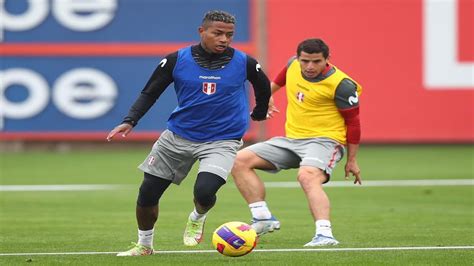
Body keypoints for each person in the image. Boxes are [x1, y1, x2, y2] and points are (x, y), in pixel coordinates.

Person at [107, 10, 271, 256]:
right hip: (178, 137)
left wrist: (258, 113)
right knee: (148, 193)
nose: (224, 39)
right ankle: (144, 246)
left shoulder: (245, 62)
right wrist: (130, 120)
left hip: (222, 140)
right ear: (202, 31)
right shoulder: (176, 60)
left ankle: (198, 216)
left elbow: (263, 87)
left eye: (229, 35)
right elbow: (150, 92)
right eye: (218, 33)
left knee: (204, 192)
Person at [231, 38, 362, 247]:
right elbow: (276, 82)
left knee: (307, 176)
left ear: (327, 59)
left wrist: (352, 160)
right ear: (298, 58)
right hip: (292, 140)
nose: (309, 67)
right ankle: (263, 218)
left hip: (325, 141)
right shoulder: (293, 64)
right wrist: (266, 98)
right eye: (305, 61)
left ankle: (325, 234)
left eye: (316, 61)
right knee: (238, 160)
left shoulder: (342, 85)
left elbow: (353, 123)